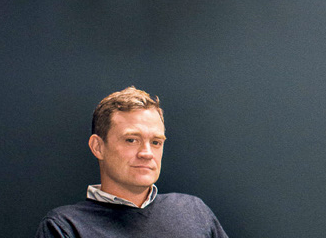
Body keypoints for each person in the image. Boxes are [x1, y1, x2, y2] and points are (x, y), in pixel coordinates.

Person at [35, 86, 228, 237]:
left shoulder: (193, 211)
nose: (147, 153)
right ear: (98, 147)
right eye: (131, 140)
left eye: (156, 142)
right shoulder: (65, 226)